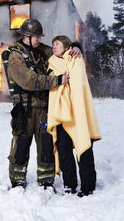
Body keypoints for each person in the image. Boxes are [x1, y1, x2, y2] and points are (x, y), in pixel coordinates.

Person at [7, 19, 81, 190]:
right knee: (21, 146)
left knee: (46, 146)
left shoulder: (40, 50)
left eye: (40, 37)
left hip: (44, 108)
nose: (40, 39)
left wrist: (75, 46)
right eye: (37, 36)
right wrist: (57, 80)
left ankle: (46, 181)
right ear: (27, 36)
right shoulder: (15, 56)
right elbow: (29, 81)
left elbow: (60, 51)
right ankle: (17, 180)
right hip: (25, 110)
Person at [47, 35, 102, 197]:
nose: (54, 46)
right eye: (52, 44)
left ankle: (88, 186)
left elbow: (78, 84)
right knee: (64, 151)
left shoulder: (76, 59)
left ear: (66, 46)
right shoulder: (51, 62)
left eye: (57, 44)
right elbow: (54, 84)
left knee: (84, 148)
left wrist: (76, 46)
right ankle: (69, 184)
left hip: (77, 111)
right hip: (61, 113)